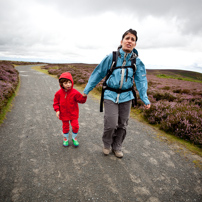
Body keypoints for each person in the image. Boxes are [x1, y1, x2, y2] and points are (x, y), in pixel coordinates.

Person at [83, 29, 150, 158]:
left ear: (135, 44)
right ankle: (107, 144)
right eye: (127, 38)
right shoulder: (111, 57)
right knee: (111, 123)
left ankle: (117, 146)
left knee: (123, 124)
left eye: (133, 40)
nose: (130, 41)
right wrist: (87, 90)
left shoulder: (137, 62)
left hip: (127, 96)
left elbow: (141, 81)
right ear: (122, 41)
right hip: (110, 94)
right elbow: (98, 73)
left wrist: (145, 98)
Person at [53, 72, 87, 147]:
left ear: (72, 82)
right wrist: (57, 110)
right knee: (65, 127)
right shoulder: (58, 93)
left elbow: (81, 100)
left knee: (75, 126)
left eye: (69, 82)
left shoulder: (75, 92)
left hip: (73, 114)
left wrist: (84, 96)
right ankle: (66, 139)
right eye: (65, 83)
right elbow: (55, 103)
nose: (68, 84)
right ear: (61, 84)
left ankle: (74, 138)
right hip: (64, 114)